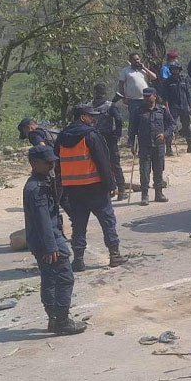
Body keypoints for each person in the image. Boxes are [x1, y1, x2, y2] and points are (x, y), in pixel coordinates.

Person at [56, 104, 127, 271]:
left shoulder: (61, 137)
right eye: (90, 116)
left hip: (73, 189)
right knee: (107, 220)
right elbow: (102, 162)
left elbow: (57, 164)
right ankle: (114, 255)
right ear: (82, 117)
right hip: (95, 187)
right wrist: (111, 184)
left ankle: (78, 260)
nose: (93, 119)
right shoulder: (91, 135)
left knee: (79, 224)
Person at [23, 144, 85, 335]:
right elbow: (42, 220)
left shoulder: (43, 182)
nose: (52, 166)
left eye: (53, 163)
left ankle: (54, 319)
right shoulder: (36, 189)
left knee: (50, 278)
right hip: (48, 240)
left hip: (45, 237)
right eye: (47, 163)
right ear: (34, 163)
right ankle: (61, 321)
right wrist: (51, 247)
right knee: (63, 278)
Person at [129, 87, 174, 206]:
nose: (146, 98)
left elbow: (171, 125)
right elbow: (132, 129)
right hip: (144, 146)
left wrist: (165, 135)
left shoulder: (162, 110)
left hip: (158, 146)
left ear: (155, 96)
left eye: (148, 96)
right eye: (144, 96)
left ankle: (159, 193)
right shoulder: (139, 111)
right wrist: (132, 144)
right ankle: (145, 195)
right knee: (144, 171)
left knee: (158, 170)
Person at [90, 84, 128, 201]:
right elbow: (119, 120)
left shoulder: (89, 106)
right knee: (115, 164)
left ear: (94, 92)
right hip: (109, 138)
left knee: (98, 164)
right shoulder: (110, 105)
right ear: (104, 93)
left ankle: (107, 189)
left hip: (94, 139)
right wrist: (117, 134)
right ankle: (121, 190)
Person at [162, 61, 191, 155]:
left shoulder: (184, 80)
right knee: (171, 128)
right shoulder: (167, 82)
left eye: (177, 69)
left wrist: (190, 105)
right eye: (173, 69)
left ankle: (190, 147)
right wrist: (166, 106)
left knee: (187, 127)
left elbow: (188, 93)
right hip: (173, 107)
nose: (175, 71)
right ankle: (169, 149)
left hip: (184, 107)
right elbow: (165, 96)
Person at [117, 53, 157, 120]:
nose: (137, 61)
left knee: (145, 119)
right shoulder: (125, 71)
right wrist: (124, 97)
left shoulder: (143, 70)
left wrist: (144, 68)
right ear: (130, 60)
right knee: (134, 119)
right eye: (134, 59)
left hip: (145, 99)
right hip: (133, 100)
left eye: (138, 59)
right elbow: (121, 84)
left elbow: (154, 77)